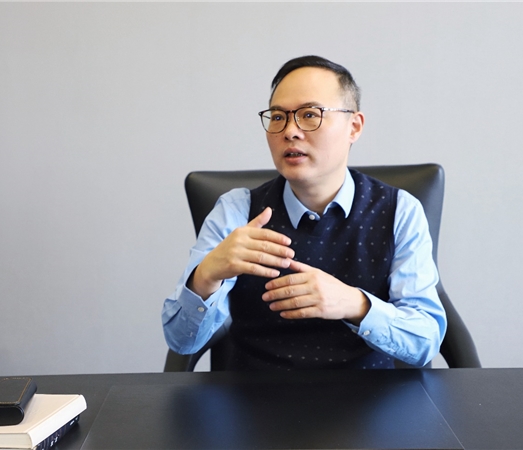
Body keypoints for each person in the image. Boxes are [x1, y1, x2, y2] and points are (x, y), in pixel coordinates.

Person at [163, 55, 446, 370]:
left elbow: (425, 341)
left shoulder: (400, 210)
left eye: (310, 115)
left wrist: (355, 304)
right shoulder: (237, 211)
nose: (290, 131)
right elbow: (181, 341)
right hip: (255, 394)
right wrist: (206, 275)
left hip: (368, 395)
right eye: (278, 117)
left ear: (354, 127)